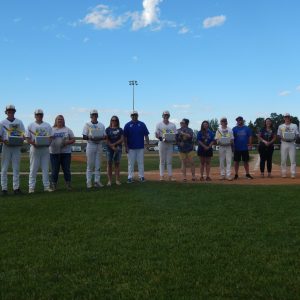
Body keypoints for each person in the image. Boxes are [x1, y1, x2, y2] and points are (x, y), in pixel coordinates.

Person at [26, 109, 53, 193]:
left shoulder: (47, 125)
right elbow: (27, 138)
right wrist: (33, 143)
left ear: (42, 115)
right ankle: (31, 187)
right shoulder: (30, 125)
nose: (39, 116)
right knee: (33, 168)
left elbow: (51, 137)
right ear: (35, 116)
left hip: (45, 149)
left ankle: (46, 186)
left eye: (40, 114)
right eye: (37, 115)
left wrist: (48, 143)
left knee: (45, 168)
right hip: (35, 149)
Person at [1, 105, 25, 195]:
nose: (10, 112)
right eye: (9, 111)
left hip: (16, 147)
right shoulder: (2, 122)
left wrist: (21, 140)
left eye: (12, 110)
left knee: (16, 168)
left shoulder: (19, 122)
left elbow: (23, 134)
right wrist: (4, 141)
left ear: (14, 111)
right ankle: (4, 189)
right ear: (6, 112)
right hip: (6, 146)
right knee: (4, 168)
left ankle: (16, 188)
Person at [50, 115, 75, 190]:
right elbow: (47, 139)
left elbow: (73, 140)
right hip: (54, 153)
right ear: (56, 120)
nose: (60, 121)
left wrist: (67, 142)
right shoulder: (51, 129)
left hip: (66, 153)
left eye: (61, 119)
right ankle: (54, 185)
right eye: (58, 119)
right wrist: (51, 138)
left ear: (63, 121)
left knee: (66, 169)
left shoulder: (67, 130)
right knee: (55, 170)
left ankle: (68, 185)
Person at [82, 109, 106, 188]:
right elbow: (84, 136)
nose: (94, 116)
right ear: (90, 116)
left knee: (98, 165)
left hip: (99, 145)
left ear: (97, 115)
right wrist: (90, 137)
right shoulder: (87, 124)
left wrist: (102, 137)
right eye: (93, 115)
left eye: (95, 115)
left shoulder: (101, 125)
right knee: (90, 165)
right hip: (91, 145)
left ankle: (97, 181)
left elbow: (105, 136)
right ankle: (88, 182)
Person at [124, 111, 149, 183]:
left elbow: (146, 135)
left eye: (135, 115)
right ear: (130, 116)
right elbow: (125, 137)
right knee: (130, 163)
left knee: (141, 163)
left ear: (137, 115)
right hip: (131, 148)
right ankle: (130, 177)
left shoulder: (142, 124)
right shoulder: (127, 125)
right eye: (132, 115)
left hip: (140, 147)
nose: (134, 116)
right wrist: (126, 146)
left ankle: (141, 176)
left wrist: (147, 144)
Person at [155, 110, 177, 181]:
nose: (166, 116)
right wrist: (161, 138)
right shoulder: (159, 124)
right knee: (162, 160)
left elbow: (175, 134)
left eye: (167, 115)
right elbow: (156, 134)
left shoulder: (172, 125)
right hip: (162, 143)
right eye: (165, 115)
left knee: (169, 161)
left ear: (169, 116)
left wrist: (173, 139)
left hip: (170, 144)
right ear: (162, 116)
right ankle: (162, 176)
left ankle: (170, 176)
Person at [277, 113, 299, 178]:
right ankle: (284, 173)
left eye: (288, 117)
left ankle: (293, 173)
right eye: (285, 117)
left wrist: (294, 138)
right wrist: (283, 138)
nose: (287, 118)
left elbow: (297, 134)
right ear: (284, 118)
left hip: (292, 144)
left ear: (290, 118)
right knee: (283, 160)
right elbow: (278, 135)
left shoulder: (294, 125)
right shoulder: (281, 126)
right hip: (284, 144)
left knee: (293, 160)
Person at [105, 116, 123, 186]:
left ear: (117, 121)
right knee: (109, 163)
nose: (114, 121)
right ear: (111, 121)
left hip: (118, 148)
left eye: (115, 120)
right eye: (112, 120)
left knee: (117, 164)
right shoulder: (107, 129)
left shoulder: (120, 129)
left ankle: (117, 180)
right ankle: (109, 181)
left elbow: (122, 139)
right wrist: (111, 146)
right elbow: (106, 139)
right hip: (109, 148)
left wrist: (114, 145)